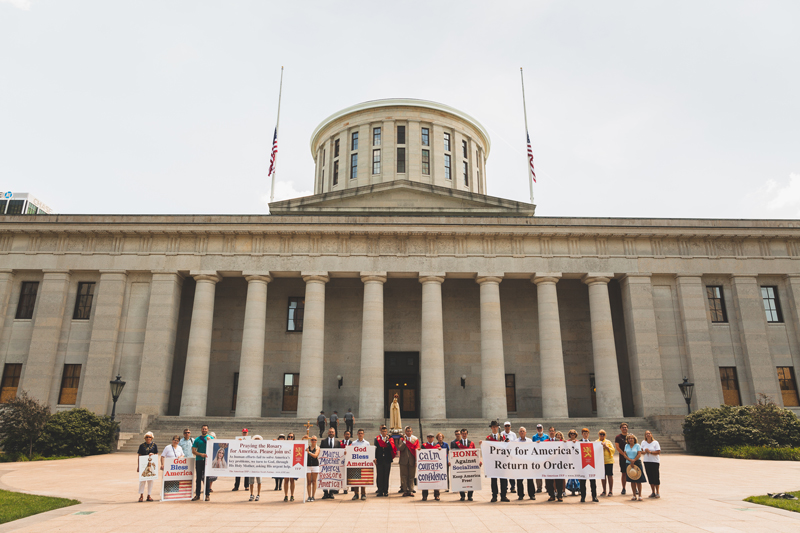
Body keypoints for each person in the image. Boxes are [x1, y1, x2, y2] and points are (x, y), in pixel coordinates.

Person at [482, 421, 509, 502]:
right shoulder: (488, 438)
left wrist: (506, 443)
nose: (494, 428)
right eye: (493, 427)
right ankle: (494, 496)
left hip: (502, 461)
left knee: (503, 479)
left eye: (496, 427)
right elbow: (486, 449)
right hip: (492, 461)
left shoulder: (502, 437)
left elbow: (506, 448)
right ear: (491, 428)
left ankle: (503, 496)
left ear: (497, 428)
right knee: (494, 480)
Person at [453, 428, 477, 501]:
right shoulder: (457, 443)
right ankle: (462, 496)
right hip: (461, 465)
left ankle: (470, 496)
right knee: (461, 479)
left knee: (470, 479)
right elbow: (454, 454)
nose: (464, 435)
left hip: (470, 464)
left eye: (465, 433)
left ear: (467, 434)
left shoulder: (471, 443)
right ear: (461, 434)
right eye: (462, 433)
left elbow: (475, 453)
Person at [374, 425, 397, 497]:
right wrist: (375, 458)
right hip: (380, 459)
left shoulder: (390, 439)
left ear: (387, 432)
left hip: (387, 459)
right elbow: (375, 449)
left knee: (386, 475)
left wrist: (387, 441)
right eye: (382, 431)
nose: (384, 433)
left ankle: (386, 491)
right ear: (380, 431)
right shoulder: (377, 438)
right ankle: (380, 490)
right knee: (380, 475)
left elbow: (391, 448)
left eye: (385, 431)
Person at [320, 427, 343, 499]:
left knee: (333, 478)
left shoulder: (337, 442)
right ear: (328, 433)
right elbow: (321, 452)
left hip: (334, 464)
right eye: (330, 432)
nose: (331, 433)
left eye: (332, 432)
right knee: (325, 477)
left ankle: (331, 493)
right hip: (325, 464)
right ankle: (325, 492)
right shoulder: (323, 441)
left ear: (334, 433)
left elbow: (339, 452)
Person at [514, 427, 535, 501]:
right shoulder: (515, 441)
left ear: (525, 432)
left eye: (523, 431)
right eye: (521, 431)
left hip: (528, 463)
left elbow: (533, 449)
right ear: (519, 433)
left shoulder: (529, 440)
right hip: (519, 464)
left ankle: (532, 495)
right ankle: (520, 495)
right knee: (519, 481)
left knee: (530, 480)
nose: (522, 432)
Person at [398, 426, 419, 497]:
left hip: (412, 461)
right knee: (404, 476)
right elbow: (400, 448)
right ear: (405, 432)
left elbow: (417, 450)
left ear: (412, 432)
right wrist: (404, 441)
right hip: (403, 461)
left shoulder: (415, 439)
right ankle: (405, 490)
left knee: (411, 476)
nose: (409, 432)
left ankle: (410, 490)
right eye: (407, 431)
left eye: (410, 431)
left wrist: (416, 461)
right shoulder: (401, 439)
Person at [624, 433, 646, 501]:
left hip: (637, 463)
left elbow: (639, 454)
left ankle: (640, 495)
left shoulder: (637, 445)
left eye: (632, 438)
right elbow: (624, 454)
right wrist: (630, 460)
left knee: (638, 479)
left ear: (634, 439)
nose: (630, 439)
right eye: (629, 438)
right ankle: (634, 495)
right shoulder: (626, 445)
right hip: (629, 463)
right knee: (632, 479)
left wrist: (633, 460)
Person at [579, 428, 599, 503]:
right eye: (584, 433)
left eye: (587, 433)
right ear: (582, 434)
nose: (586, 434)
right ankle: (583, 497)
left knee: (593, 483)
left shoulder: (592, 442)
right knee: (582, 483)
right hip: (582, 465)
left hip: (590, 465)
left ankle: (594, 496)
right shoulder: (579, 442)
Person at [192, 425, 211, 501]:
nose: (204, 430)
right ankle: (197, 494)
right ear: (201, 429)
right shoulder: (197, 439)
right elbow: (193, 451)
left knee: (207, 478)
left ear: (207, 430)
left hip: (207, 460)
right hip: (199, 460)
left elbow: (216, 446)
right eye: (203, 429)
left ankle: (207, 495)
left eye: (205, 429)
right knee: (198, 478)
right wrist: (200, 454)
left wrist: (211, 440)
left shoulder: (210, 438)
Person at [420, 434, 442, 501]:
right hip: (426, 466)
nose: (430, 438)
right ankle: (424, 496)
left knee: (436, 480)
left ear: (433, 438)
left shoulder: (437, 446)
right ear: (427, 438)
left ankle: (437, 495)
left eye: (431, 437)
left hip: (435, 466)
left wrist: (440, 450)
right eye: (429, 437)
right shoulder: (424, 446)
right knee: (425, 480)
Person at [137, 432, 158, 502]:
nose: (148, 438)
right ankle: (141, 495)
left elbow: (156, 454)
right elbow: (139, 456)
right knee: (142, 480)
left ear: (152, 438)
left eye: (149, 437)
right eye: (147, 437)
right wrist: (138, 466)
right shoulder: (141, 446)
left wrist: (153, 454)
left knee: (151, 480)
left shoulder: (154, 445)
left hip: (151, 464)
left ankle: (149, 495)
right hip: (143, 465)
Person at [546, 431, 566, 502]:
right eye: (550, 431)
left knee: (559, 480)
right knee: (548, 480)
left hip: (558, 463)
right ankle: (551, 495)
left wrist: (566, 443)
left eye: (553, 431)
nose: (551, 432)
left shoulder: (559, 441)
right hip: (549, 464)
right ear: (549, 432)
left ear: (554, 432)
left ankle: (560, 495)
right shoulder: (546, 441)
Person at [350, 429, 370, 500]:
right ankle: (356, 494)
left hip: (363, 464)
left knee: (363, 480)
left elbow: (369, 453)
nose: (360, 434)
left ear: (363, 434)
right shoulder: (354, 443)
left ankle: (363, 494)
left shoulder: (367, 443)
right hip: (355, 464)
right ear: (357, 434)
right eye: (359, 433)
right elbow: (351, 453)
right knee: (356, 480)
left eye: (362, 433)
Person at [641, 430, 661, 498]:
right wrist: (645, 451)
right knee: (650, 476)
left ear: (651, 435)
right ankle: (653, 491)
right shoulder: (643, 442)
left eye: (649, 433)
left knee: (656, 476)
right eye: (647, 434)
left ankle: (657, 492)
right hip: (647, 461)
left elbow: (658, 452)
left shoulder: (655, 442)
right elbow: (641, 452)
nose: (648, 435)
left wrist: (650, 452)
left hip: (654, 461)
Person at [532, 424, 549, 493]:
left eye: (540, 428)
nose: (539, 429)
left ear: (543, 429)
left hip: (545, 457)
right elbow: (532, 446)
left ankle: (547, 486)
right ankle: (539, 487)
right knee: (538, 473)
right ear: (536, 429)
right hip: (537, 457)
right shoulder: (534, 437)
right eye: (538, 428)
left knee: (546, 472)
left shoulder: (546, 436)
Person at [597, 429, 615, 496]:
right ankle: (604, 490)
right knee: (603, 476)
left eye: (603, 434)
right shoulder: (596, 442)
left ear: (605, 435)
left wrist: (606, 446)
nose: (602, 435)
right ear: (599, 435)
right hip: (600, 461)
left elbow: (613, 450)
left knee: (610, 475)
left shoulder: (608, 442)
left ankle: (610, 490)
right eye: (601, 434)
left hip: (608, 460)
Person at [614, 423, 630, 495]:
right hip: (623, 458)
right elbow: (617, 447)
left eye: (625, 427)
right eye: (623, 427)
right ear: (620, 429)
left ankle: (635, 487)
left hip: (631, 458)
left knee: (633, 472)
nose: (624, 428)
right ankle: (624, 488)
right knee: (624, 473)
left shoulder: (630, 436)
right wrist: (624, 454)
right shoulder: (618, 437)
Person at [501, 422, 517, 493]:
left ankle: (513, 486)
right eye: (506, 426)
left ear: (510, 427)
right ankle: (505, 487)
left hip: (511, 455)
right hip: (503, 455)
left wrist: (510, 442)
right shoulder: (501, 434)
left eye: (508, 426)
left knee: (511, 471)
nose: (507, 427)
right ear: (504, 427)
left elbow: (516, 443)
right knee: (504, 471)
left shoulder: (513, 434)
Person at [247, 435, 264, 501]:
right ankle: (251, 494)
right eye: (255, 439)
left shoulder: (262, 448)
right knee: (251, 482)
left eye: (258, 440)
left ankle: (258, 494)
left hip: (259, 467)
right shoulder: (250, 448)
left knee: (259, 481)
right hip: (252, 466)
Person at [565, 429, 580, 496]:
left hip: (576, 460)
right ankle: (572, 489)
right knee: (571, 475)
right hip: (569, 460)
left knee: (578, 475)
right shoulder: (567, 441)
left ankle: (579, 489)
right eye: (571, 433)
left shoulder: (578, 442)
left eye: (573, 433)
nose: (572, 435)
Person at [306, 436, 321, 501]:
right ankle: (309, 496)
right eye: (312, 440)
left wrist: (309, 452)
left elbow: (315, 455)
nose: (313, 441)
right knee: (309, 481)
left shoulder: (317, 448)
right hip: (308, 465)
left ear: (316, 441)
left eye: (315, 440)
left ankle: (313, 496)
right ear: (310, 441)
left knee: (314, 481)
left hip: (315, 466)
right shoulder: (307, 447)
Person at [284, 433, 297, 502]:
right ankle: (286, 495)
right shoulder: (285, 444)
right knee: (286, 480)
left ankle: (292, 495)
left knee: (292, 480)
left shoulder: (295, 444)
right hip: (286, 463)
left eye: (291, 437)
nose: (290, 438)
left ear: (293, 438)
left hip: (292, 464)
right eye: (289, 437)